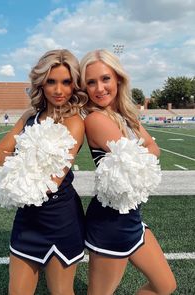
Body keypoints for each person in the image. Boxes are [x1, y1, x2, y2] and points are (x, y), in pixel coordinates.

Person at [0, 49, 88, 295]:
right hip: (27, 219)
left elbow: (51, 180)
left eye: (66, 82)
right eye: (51, 81)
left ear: (74, 85)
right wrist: (25, 166)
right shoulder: (29, 117)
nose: (58, 90)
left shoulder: (75, 122)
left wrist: (17, 163)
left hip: (61, 219)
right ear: (40, 84)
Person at [80, 49, 176, 295]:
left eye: (105, 79)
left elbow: (155, 149)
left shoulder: (126, 116)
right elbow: (138, 157)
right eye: (91, 82)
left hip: (132, 218)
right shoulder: (95, 119)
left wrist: (142, 153)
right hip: (111, 224)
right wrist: (142, 152)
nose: (99, 88)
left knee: (165, 286)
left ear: (118, 79)